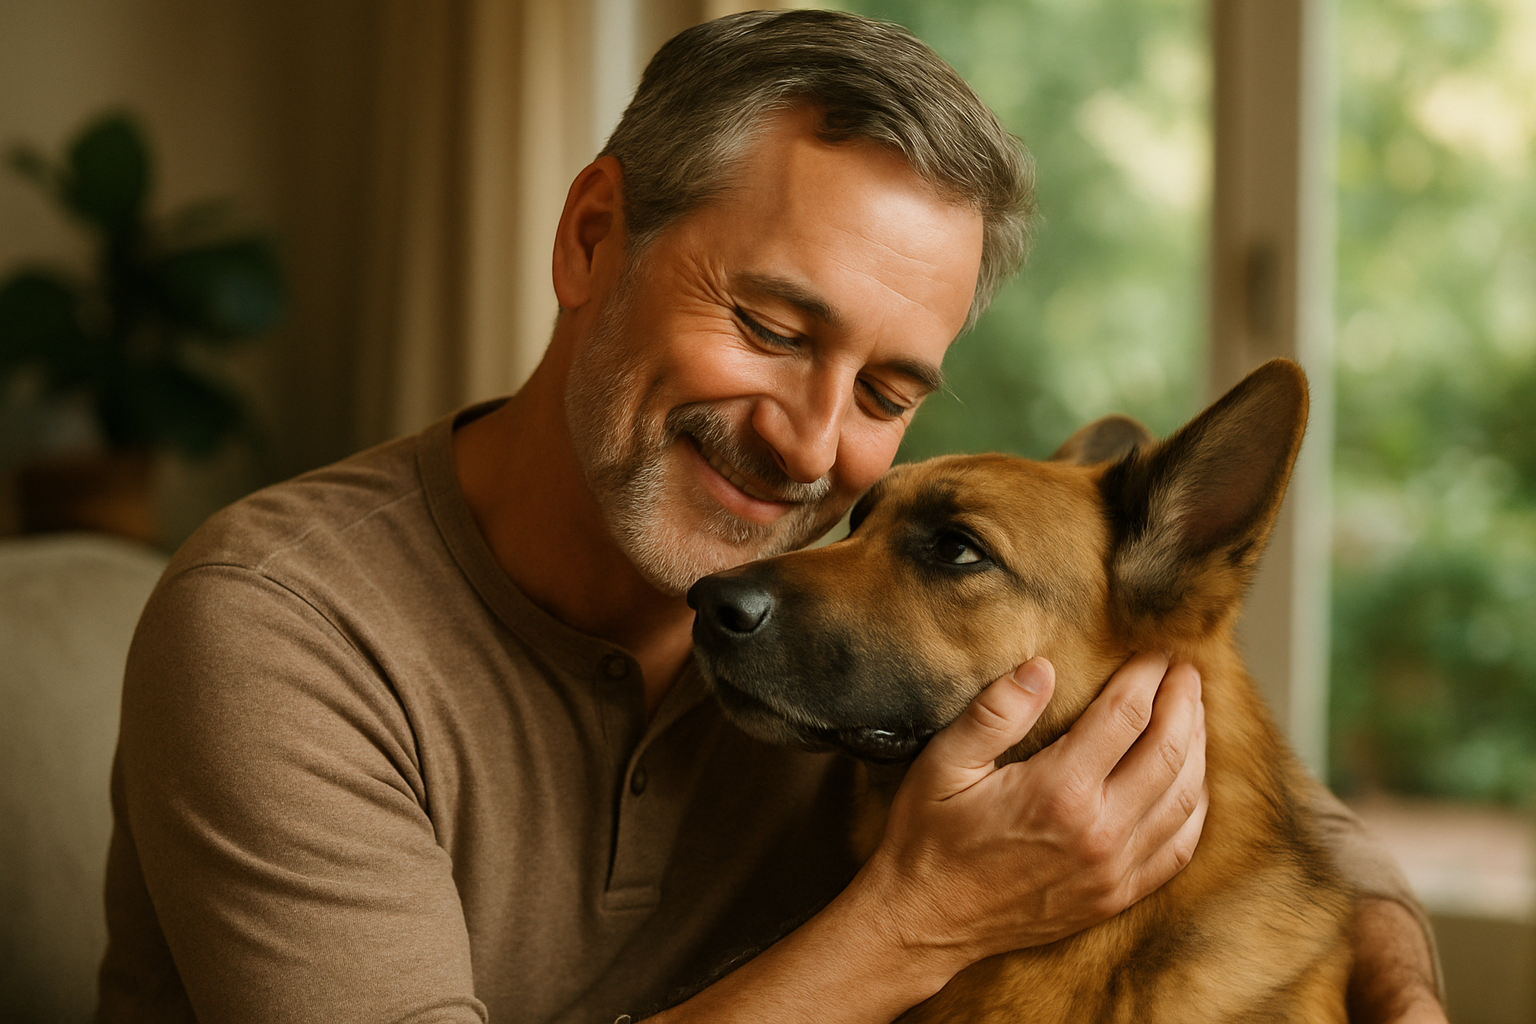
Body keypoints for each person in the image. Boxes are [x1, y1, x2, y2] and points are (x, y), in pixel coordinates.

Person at [99, 10, 1445, 1024]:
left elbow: (1261, 802)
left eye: (886, 390)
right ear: (591, 237)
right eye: (769, 327)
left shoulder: (835, 591)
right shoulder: (282, 635)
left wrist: (1394, 982)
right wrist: (919, 919)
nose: (810, 445)